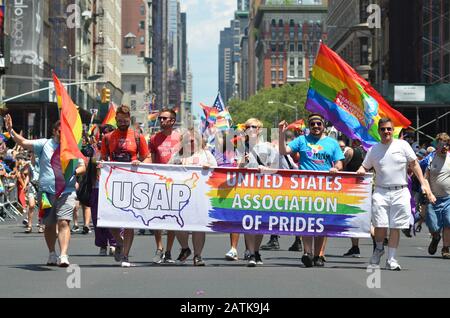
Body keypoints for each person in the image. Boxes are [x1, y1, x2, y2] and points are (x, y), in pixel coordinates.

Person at [4, 115, 86, 267]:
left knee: (64, 222)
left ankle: (63, 255)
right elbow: (23, 142)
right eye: (61, 131)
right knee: (49, 224)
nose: (63, 134)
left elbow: (82, 166)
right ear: (55, 131)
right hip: (47, 192)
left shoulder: (73, 147)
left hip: (66, 191)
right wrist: (11, 131)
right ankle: (52, 253)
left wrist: (74, 172)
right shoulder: (44, 144)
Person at [357, 118, 435, 271]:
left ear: (393, 130)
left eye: (389, 129)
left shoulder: (403, 145)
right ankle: (379, 248)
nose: (386, 132)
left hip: (401, 191)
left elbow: (414, 164)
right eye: (383, 129)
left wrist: (425, 185)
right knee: (380, 225)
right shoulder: (374, 150)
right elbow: (364, 166)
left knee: (395, 226)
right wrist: (361, 170)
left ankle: (391, 259)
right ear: (379, 131)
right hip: (380, 191)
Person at [279, 113, 344, 268]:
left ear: (323, 126)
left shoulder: (332, 143)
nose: (316, 126)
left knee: (321, 222)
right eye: (313, 124)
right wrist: (281, 133)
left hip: (325, 188)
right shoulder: (301, 140)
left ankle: (318, 254)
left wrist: (335, 168)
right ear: (309, 126)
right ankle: (307, 253)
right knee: (307, 221)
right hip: (304, 187)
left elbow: (340, 163)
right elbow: (284, 151)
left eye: (318, 124)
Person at [100, 105, 152, 267]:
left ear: (130, 119)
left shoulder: (137, 136)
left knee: (130, 220)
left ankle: (125, 255)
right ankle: (120, 242)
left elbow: (148, 157)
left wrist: (140, 163)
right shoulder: (108, 137)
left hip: (133, 184)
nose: (123, 122)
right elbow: (101, 158)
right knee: (110, 220)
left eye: (126, 120)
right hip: (113, 184)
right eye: (120, 120)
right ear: (116, 120)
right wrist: (100, 164)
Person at [238, 118, 289, 267]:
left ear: (259, 129)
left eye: (253, 126)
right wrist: (242, 162)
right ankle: (251, 252)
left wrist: (266, 169)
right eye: (247, 126)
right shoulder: (242, 146)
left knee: (259, 222)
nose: (250, 129)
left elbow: (276, 168)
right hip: (246, 187)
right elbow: (236, 167)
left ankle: (256, 251)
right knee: (248, 221)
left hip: (263, 187)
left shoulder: (268, 147)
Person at [169, 128, 217, 266]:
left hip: (200, 196)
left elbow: (217, 171)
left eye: (193, 140)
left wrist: (209, 168)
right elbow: (165, 171)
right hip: (180, 197)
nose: (190, 142)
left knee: (198, 226)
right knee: (178, 224)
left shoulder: (206, 155)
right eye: (187, 140)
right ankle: (185, 248)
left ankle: (198, 255)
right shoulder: (177, 156)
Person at [148, 108, 180, 264]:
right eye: (160, 118)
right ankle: (159, 247)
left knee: (172, 218)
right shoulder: (154, 139)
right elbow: (152, 160)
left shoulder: (181, 138)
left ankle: (169, 251)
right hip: (158, 182)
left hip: (177, 183)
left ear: (172, 121)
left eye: (164, 118)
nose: (161, 121)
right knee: (157, 218)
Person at [424, 133, 450, 259]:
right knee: (433, 225)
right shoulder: (430, 159)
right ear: (437, 145)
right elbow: (425, 179)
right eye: (442, 145)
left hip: (448, 198)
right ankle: (435, 237)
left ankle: (445, 248)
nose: (444, 147)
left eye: (447, 145)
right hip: (433, 198)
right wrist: (428, 193)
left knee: (448, 223)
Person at [342, 139, 367, 258]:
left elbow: (342, 166)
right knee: (360, 217)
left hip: (352, 186)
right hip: (366, 186)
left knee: (353, 217)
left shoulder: (350, 152)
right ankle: (355, 247)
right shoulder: (369, 152)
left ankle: (378, 243)